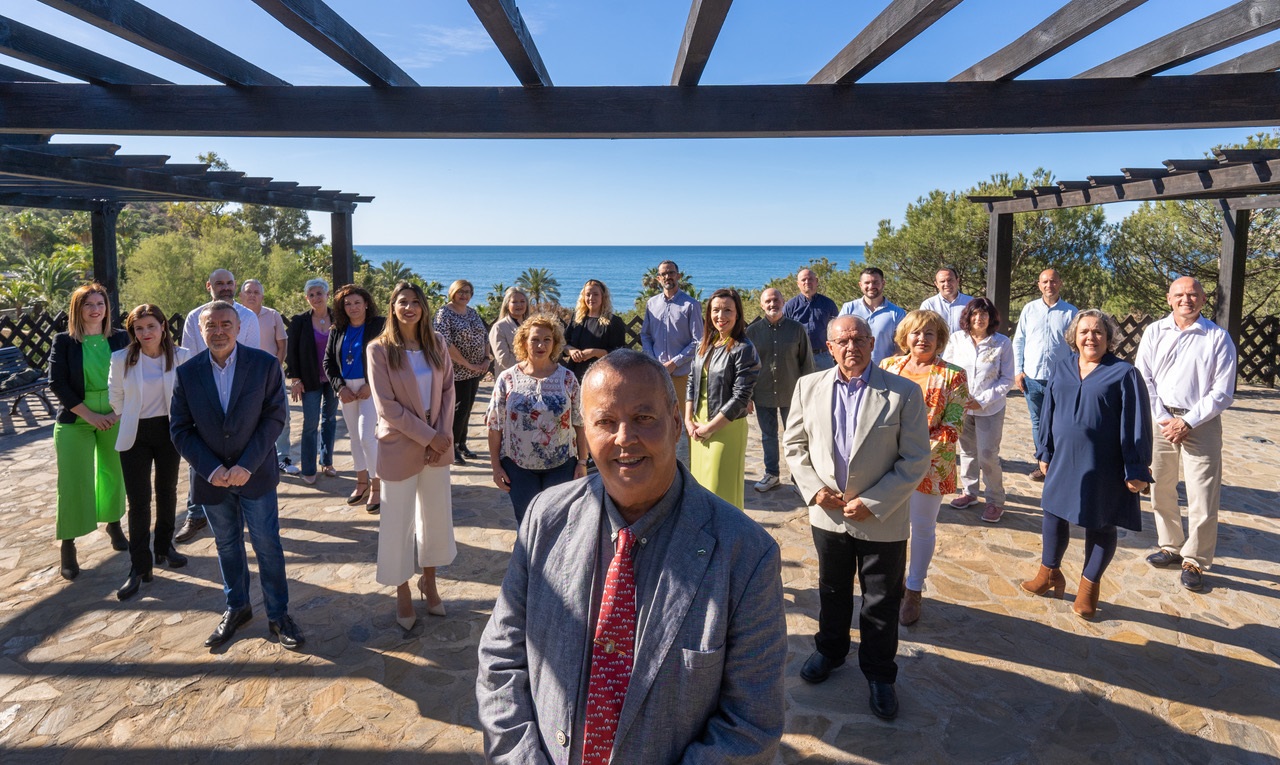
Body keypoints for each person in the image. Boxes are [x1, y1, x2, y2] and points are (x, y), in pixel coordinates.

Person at [477, 349, 787, 764]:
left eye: (644, 418)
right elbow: (502, 657)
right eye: (605, 422)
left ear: (676, 423)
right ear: (585, 431)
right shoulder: (544, 519)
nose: (624, 438)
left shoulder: (746, 555)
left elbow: (751, 723)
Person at [784, 316, 930, 720]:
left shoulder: (903, 392)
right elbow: (794, 444)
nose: (852, 347)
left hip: (882, 519)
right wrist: (814, 490)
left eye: (859, 339)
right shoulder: (807, 387)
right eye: (842, 341)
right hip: (827, 515)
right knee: (831, 589)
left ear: (872, 343)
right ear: (829, 347)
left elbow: (916, 458)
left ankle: (880, 674)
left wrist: (876, 501)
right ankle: (830, 651)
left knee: (881, 600)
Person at [170, 301, 303, 650]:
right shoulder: (187, 372)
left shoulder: (264, 365)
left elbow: (274, 418)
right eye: (210, 326)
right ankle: (237, 607)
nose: (218, 331)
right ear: (201, 330)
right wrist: (212, 469)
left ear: (238, 327)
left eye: (225, 324)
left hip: (254, 475)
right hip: (212, 480)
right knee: (227, 546)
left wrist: (247, 464)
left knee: (267, 546)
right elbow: (181, 429)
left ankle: (278, 614)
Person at [1022, 310, 1153, 618]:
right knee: (1053, 512)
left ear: (1108, 338)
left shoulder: (1123, 374)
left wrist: (1136, 468)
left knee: (1101, 522)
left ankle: (1088, 588)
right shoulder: (1062, 366)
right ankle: (1049, 574)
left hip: (1105, 463)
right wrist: (1044, 451)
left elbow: (1136, 424)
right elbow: (1049, 412)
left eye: (1097, 332)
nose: (1090, 337)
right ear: (1074, 337)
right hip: (1063, 457)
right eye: (1084, 332)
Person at [1135, 276, 1236, 592]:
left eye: (1193, 295)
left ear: (1203, 300)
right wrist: (1165, 418)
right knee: (1160, 486)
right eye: (1179, 294)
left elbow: (1223, 391)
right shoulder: (1155, 332)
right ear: (1168, 298)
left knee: (1202, 493)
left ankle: (1195, 559)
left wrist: (1188, 422)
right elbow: (1143, 377)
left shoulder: (1217, 338)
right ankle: (1170, 545)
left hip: (1201, 422)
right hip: (1161, 419)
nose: (1186, 299)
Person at [368, 281, 457, 630]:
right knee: (397, 522)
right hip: (399, 446)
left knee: (434, 518)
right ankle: (402, 590)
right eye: (402, 302)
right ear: (392, 307)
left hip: (438, 446)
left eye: (415, 302)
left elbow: (449, 389)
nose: (409, 307)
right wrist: (429, 436)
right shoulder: (379, 350)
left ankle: (429, 582)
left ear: (423, 307)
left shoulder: (437, 344)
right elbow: (386, 407)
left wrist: (444, 434)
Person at [879, 310, 969, 627]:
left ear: (939, 339)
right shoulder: (888, 367)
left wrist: (913, 457)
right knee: (889, 526)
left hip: (930, 465)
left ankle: (914, 590)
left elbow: (952, 426)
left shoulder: (953, 375)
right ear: (905, 336)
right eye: (916, 332)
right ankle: (892, 584)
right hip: (886, 461)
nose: (922, 338)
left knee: (922, 527)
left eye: (929, 333)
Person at [108, 304, 191, 600]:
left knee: (167, 491)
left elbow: (188, 393)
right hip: (135, 435)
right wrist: (129, 413)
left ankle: (164, 546)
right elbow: (115, 395)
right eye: (139, 328)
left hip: (169, 432)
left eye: (150, 327)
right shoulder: (121, 359)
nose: (145, 333)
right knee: (139, 502)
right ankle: (139, 566)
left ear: (163, 327)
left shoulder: (181, 356)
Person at [48, 283, 130, 580]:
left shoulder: (121, 338)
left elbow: (134, 377)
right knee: (73, 482)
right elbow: (57, 384)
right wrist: (91, 416)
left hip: (114, 415)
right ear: (77, 309)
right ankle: (68, 545)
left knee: (113, 473)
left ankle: (114, 523)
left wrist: (116, 413)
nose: (96, 309)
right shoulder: (64, 341)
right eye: (88, 304)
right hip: (76, 418)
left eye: (100, 304)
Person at [175, 268, 260, 544]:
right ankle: (195, 513)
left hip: (240, 393)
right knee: (199, 454)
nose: (225, 287)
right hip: (204, 392)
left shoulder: (247, 317)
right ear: (208, 286)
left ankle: (241, 507)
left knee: (241, 451)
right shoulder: (194, 317)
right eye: (219, 283)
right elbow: (190, 357)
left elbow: (252, 356)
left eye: (229, 283)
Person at [487, 314, 588, 525]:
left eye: (547, 339)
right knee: (527, 524)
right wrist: (496, 467)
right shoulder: (507, 379)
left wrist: (582, 462)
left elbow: (580, 423)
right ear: (524, 342)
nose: (541, 344)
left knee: (557, 523)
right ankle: (528, 559)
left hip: (561, 465)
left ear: (555, 343)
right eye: (534, 339)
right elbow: (495, 425)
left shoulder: (568, 378)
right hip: (518, 465)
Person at [685, 288, 760, 510]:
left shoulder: (744, 348)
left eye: (727, 310)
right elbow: (691, 382)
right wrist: (689, 420)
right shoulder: (706, 344)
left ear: (737, 314)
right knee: (701, 490)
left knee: (721, 492)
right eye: (716, 310)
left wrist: (710, 428)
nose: (721, 316)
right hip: (698, 427)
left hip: (724, 429)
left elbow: (740, 398)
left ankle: (729, 541)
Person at [943, 297, 1015, 523]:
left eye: (984, 314)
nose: (979, 318)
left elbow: (1007, 379)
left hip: (990, 409)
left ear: (991, 317)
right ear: (967, 316)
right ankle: (970, 492)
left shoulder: (1002, 343)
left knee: (987, 455)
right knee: (966, 452)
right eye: (975, 314)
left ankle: (995, 500)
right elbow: (948, 370)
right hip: (962, 407)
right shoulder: (957, 339)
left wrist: (982, 400)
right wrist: (959, 398)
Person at [324, 284, 387, 514]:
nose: (352, 307)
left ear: (366, 303)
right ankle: (361, 483)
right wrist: (339, 388)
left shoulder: (379, 326)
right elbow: (328, 363)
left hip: (370, 388)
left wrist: (371, 385)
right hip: (346, 391)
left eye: (357, 302)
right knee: (354, 438)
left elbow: (388, 358)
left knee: (367, 437)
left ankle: (377, 486)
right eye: (347, 304)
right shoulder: (337, 329)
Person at [744, 287, 813, 492]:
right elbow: (746, 366)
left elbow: (807, 363)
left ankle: (798, 478)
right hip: (763, 392)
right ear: (761, 305)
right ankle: (772, 474)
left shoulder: (797, 329)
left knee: (797, 437)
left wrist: (808, 395)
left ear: (783, 302)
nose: (772, 304)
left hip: (792, 393)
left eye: (776, 300)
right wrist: (747, 396)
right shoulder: (752, 332)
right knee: (768, 436)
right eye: (768, 301)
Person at [1012, 269, 1077, 482]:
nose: (1049, 285)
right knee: (1038, 422)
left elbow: (1076, 346)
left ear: (1060, 283)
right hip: (1032, 378)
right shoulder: (1029, 310)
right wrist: (1018, 371)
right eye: (1045, 282)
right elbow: (1019, 340)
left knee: (1060, 423)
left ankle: (1060, 464)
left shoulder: (1070, 312)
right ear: (1039, 285)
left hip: (1061, 380)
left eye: (1053, 281)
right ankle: (1042, 463)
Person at [640, 260, 703, 462]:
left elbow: (698, 341)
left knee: (685, 423)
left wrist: (674, 362)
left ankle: (687, 468)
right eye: (664, 274)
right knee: (659, 419)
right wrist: (653, 360)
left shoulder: (691, 305)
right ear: (658, 279)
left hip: (682, 375)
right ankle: (664, 462)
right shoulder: (652, 304)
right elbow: (645, 336)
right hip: (657, 375)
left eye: (671, 273)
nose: (668, 276)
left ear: (678, 276)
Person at [240, 279, 298, 476]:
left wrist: (275, 368)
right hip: (245, 378)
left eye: (256, 292)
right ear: (241, 296)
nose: (252, 295)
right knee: (248, 418)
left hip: (272, 376)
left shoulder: (272, 315)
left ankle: (283, 457)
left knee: (283, 415)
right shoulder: (235, 316)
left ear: (262, 296)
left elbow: (282, 345)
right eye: (248, 292)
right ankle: (253, 459)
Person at [434, 279, 491, 466]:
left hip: (475, 372)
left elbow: (484, 336)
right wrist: (467, 364)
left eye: (468, 291)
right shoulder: (444, 313)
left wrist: (485, 359)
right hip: (455, 373)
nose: (464, 295)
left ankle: (462, 443)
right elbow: (445, 343)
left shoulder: (472, 313)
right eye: (460, 291)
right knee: (456, 411)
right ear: (452, 292)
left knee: (467, 410)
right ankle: (452, 447)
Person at [286, 278, 337, 485]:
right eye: (311, 295)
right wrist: (295, 378)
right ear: (307, 298)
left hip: (334, 380)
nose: (316, 297)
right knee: (310, 424)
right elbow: (292, 352)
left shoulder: (338, 317)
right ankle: (308, 467)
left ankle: (327, 461)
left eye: (319, 293)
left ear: (327, 295)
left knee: (330, 420)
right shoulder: (300, 321)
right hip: (310, 379)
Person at [839, 267, 906, 365]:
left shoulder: (897, 313)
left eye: (875, 282)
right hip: (854, 368)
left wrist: (888, 365)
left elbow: (902, 345)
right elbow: (840, 338)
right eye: (867, 283)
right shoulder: (849, 308)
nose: (871, 286)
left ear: (883, 283)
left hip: (884, 372)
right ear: (860, 285)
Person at [563, 279, 627, 382]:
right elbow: (563, 344)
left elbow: (620, 353)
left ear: (603, 297)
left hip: (602, 376)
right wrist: (571, 351)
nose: (591, 298)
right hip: (574, 375)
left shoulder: (614, 322)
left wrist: (594, 352)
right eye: (588, 294)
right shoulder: (577, 319)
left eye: (595, 294)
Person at [783, 267, 840, 370]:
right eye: (803, 280)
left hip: (824, 356)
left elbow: (836, 330)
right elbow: (784, 331)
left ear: (816, 281)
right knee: (801, 385)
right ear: (798, 284)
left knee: (827, 385)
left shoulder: (828, 304)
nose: (807, 282)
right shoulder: (790, 306)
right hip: (799, 357)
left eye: (810, 279)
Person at [919, 265, 973, 334]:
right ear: (936, 284)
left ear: (957, 281)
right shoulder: (928, 305)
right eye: (942, 281)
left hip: (964, 344)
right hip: (938, 344)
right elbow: (922, 329)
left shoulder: (971, 302)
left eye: (950, 280)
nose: (947, 284)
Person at [488, 287, 529, 376]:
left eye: (522, 301)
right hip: (510, 378)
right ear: (507, 305)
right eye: (514, 302)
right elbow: (504, 360)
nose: (519, 305)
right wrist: (529, 367)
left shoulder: (531, 325)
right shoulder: (499, 327)